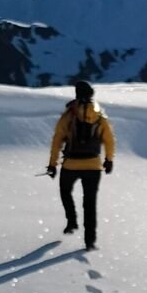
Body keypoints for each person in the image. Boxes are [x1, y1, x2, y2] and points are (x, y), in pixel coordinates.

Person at [47, 77, 115, 249]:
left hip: (71, 164)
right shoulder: (100, 116)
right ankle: (89, 241)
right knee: (90, 203)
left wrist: (52, 164)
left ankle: (72, 221)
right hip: (93, 166)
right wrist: (108, 160)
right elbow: (109, 140)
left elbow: (57, 140)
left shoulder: (69, 114)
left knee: (65, 191)